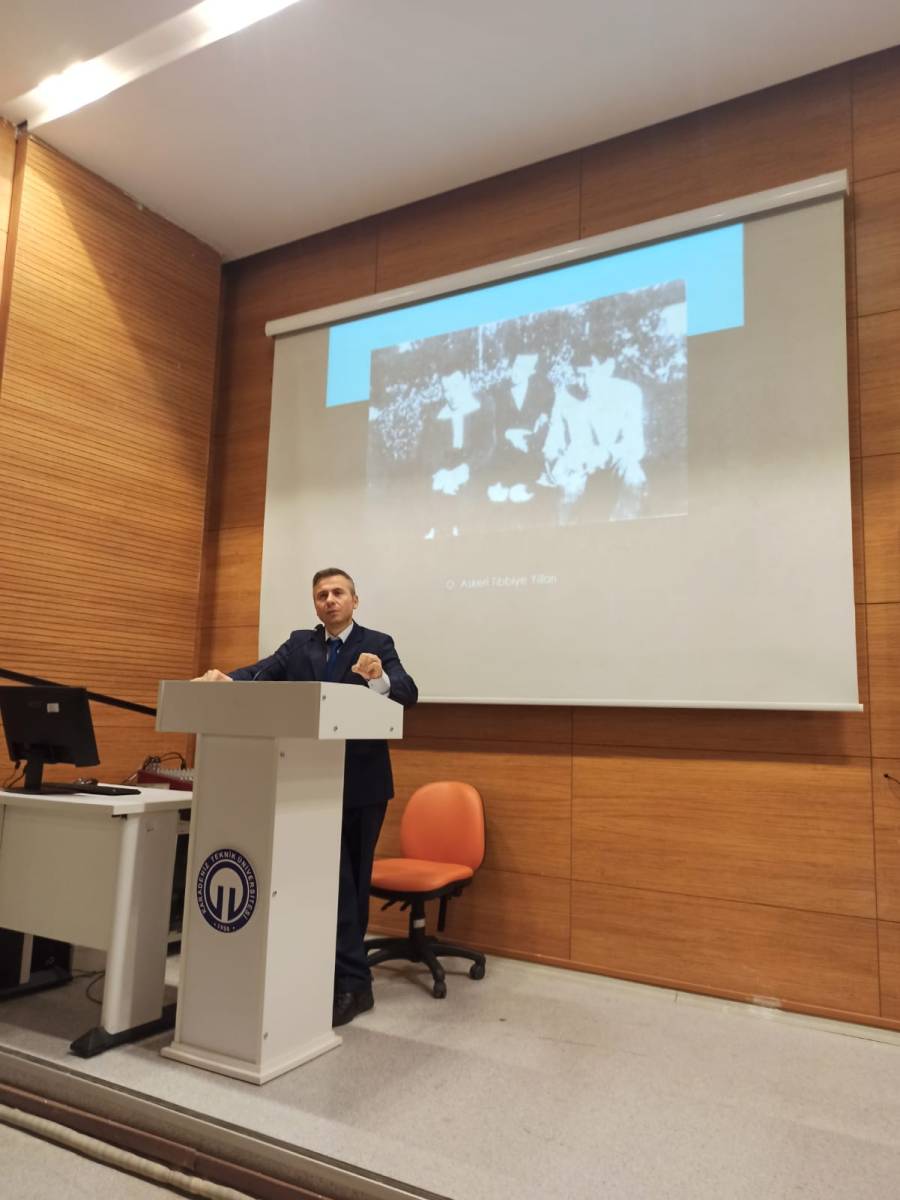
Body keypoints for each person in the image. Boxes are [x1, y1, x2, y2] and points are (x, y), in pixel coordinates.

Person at [194, 568, 418, 1027]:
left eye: (338, 593)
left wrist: (378, 678)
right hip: (305, 783)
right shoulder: (301, 644)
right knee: (323, 883)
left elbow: (407, 694)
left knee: (350, 884)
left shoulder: (377, 643)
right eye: (321, 595)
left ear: (355, 600)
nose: (329, 600)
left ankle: (353, 984)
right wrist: (227, 680)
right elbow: (261, 673)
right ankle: (328, 974)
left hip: (360, 785)